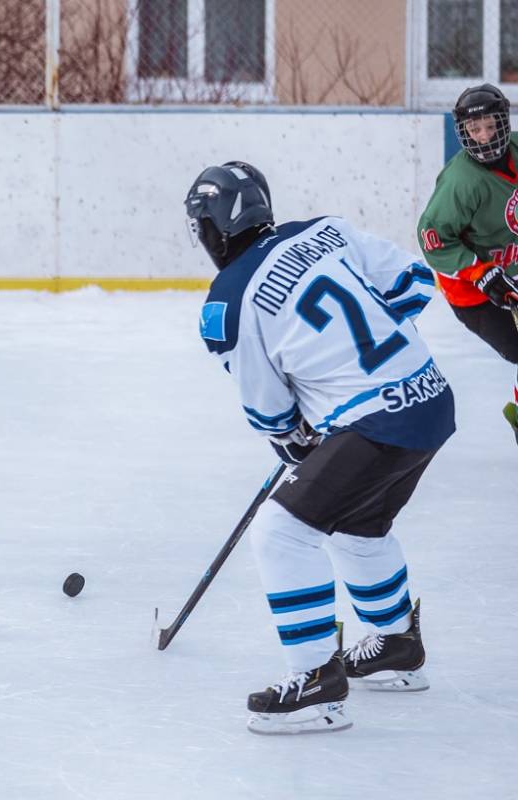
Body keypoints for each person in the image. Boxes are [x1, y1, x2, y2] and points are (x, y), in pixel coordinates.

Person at [185, 161, 454, 734]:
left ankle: (314, 683)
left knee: (282, 531)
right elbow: (413, 282)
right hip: (430, 397)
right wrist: (365, 361)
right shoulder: (326, 229)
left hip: (375, 420)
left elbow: (271, 412)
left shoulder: (227, 301)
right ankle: (398, 646)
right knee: (360, 524)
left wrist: (302, 432)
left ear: (213, 228)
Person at [417, 83, 518, 444]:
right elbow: (433, 240)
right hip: (470, 289)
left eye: (491, 125)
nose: (485, 136)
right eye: (474, 130)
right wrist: (479, 271)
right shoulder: (461, 182)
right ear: (463, 133)